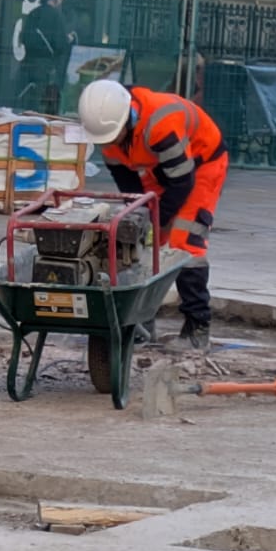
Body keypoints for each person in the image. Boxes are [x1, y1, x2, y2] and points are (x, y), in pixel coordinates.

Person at [77, 76, 226, 351]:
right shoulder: (108, 132)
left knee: (184, 243)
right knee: (141, 242)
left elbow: (183, 183)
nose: (111, 144)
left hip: (201, 166)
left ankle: (197, 328)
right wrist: (143, 221)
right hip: (162, 168)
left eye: (116, 136)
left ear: (127, 119)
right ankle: (141, 324)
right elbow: (131, 190)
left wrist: (156, 221)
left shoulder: (161, 123)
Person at [19, 0, 74, 114]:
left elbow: (25, 38)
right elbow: (60, 45)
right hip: (48, 70)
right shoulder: (56, 16)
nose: (61, 0)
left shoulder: (33, 14)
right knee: (48, 109)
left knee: (30, 105)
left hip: (29, 66)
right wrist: (69, 39)